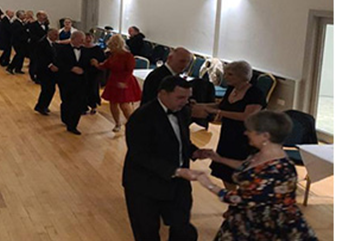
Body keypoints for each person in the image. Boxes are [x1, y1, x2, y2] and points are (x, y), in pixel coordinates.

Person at [194, 111, 318, 241]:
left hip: (265, 228)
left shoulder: (276, 171)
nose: (245, 133)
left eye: (250, 131)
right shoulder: (262, 155)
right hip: (247, 219)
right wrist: (220, 159)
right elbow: (247, 167)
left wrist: (205, 181)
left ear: (265, 136)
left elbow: (238, 198)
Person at [123, 76, 204, 241]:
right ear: (162, 94)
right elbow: (140, 155)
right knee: (147, 233)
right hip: (144, 184)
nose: (185, 102)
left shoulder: (182, 111)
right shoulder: (141, 117)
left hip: (178, 183)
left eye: (187, 98)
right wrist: (175, 171)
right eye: (180, 97)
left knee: (183, 229)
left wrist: (194, 151)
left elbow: (179, 140)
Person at [198, 60, 266, 189]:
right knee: (225, 173)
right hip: (228, 135)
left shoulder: (255, 94)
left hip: (246, 138)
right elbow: (222, 105)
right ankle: (232, 198)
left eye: (230, 74)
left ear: (242, 76)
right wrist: (201, 105)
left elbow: (247, 117)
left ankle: (243, 199)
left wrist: (219, 113)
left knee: (243, 175)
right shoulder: (231, 89)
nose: (225, 77)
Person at [92, 34, 141, 132]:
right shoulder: (113, 56)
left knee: (124, 105)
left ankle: (133, 124)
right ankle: (117, 123)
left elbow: (130, 71)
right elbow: (105, 65)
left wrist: (124, 82)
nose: (110, 49)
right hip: (114, 81)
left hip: (125, 81)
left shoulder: (128, 56)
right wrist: (96, 64)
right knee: (113, 103)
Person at [55, 31, 91, 135]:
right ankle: (65, 119)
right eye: (81, 39)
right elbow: (58, 63)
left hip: (81, 82)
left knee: (77, 104)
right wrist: (71, 68)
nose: (83, 41)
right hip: (66, 80)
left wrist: (84, 71)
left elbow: (88, 65)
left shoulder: (86, 51)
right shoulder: (63, 49)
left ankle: (73, 125)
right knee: (66, 101)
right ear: (73, 39)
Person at [33, 29, 60, 116]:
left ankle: (43, 105)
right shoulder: (41, 44)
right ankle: (41, 106)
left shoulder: (53, 44)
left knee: (49, 89)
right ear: (49, 34)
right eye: (55, 35)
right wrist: (50, 65)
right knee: (47, 89)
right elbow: (40, 57)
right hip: (44, 70)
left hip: (50, 72)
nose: (57, 36)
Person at [83, 32, 106, 115]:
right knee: (83, 89)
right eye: (86, 37)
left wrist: (97, 63)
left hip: (94, 72)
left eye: (90, 37)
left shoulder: (97, 49)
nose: (88, 39)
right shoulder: (81, 48)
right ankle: (83, 106)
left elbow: (103, 60)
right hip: (83, 72)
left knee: (93, 89)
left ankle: (93, 106)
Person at [26, 11, 50, 82]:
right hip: (35, 46)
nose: (45, 17)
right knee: (34, 61)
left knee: (41, 61)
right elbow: (32, 35)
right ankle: (33, 75)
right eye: (43, 15)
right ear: (38, 16)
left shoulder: (46, 25)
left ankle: (40, 75)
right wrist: (40, 40)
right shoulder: (33, 25)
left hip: (43, 47)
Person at [6, 10, 28, 75]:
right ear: (20, 16)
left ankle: (18, 68)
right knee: (19, 54)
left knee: (21, 55)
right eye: (24, 15)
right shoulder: (16, 23)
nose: (25, 16)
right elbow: (18, 32)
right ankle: (10, 67)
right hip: (17, 42)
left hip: (22, 41)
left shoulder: (21, 23)